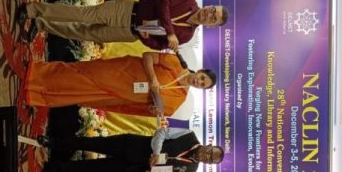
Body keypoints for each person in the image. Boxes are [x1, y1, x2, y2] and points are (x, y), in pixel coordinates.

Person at [19, 0, 228, 47]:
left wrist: (147, 38)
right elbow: (163, 3)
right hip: (128, 11)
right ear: (209, 5)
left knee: (83, 33)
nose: (209, 14)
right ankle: (32, 9)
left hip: (129, 34)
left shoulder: (187, 36)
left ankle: (41, 25)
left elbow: (159, 45)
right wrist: (170, 32)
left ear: (211, 26)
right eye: (212, 10)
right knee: (82, 15)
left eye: (213, 18)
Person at [25, 52, 216, 114]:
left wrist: (153, 108)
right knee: (81, 72)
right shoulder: (176, 63)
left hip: (120, 95)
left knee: (80, 94)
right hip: (120, 71)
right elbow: (147, 56)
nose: (198, 81)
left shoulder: (178, 101)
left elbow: (149, 110)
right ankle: (37, 74)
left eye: (202, 84)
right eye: (202, 78)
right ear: (199, 71)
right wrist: (153, 79)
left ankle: (38, 94)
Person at [39, 128, 224, 172]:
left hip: (134, 168)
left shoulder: (190, 170)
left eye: (210, 160)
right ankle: (54, 142)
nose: (206, 157)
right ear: (209, 145)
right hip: (132, 145)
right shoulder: (189, 135)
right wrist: (156, 152)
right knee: (91, 144)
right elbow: (161, 133)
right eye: (210, 153)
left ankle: (55, 168)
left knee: (92, 167)